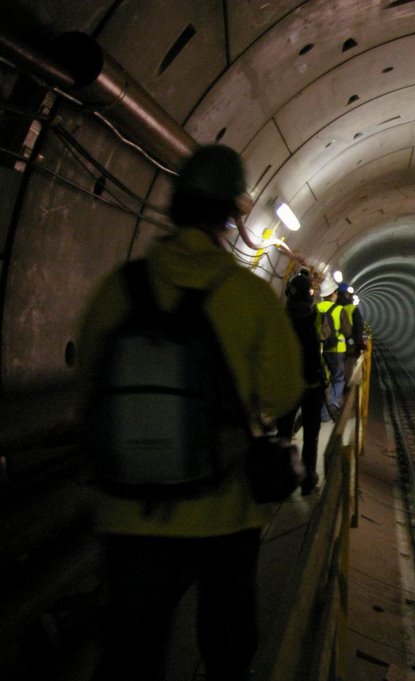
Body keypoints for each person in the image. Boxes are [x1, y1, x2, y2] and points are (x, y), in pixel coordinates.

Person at [77, 144, 303, 681]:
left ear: (175, 204)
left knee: (133, 646)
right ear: (232, 214)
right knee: (225, 641)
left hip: (129, 506)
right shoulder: (247, 295)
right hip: (223, 508)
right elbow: (285, 389)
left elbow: (89, 382)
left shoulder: (117, 290)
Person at [276, 270, 326, 495]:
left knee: (283, 434)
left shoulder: (279, 317)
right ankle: (307, 482)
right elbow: (323, 338)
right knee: (311, 435)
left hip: (286, 384)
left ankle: (282, 480)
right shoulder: (316, 315)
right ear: (311, 295)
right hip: (312, 384)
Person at [316, 279, 350, 421]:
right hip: (337, 350)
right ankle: (332, 407)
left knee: (322, 381)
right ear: (333, 294)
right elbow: (347, 330)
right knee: (338, 379)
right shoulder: (339, 310)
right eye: (336, 292)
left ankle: (321, 413)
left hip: (319, 350)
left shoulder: (315, 308)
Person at [339, 282, 365, 391]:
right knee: (349, 369)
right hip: (350, 345)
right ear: (347, 295)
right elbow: (358, 328)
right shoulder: (352, 309)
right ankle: (347, 393)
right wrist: (359, 345)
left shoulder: (334, 307)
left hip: (333, 346)